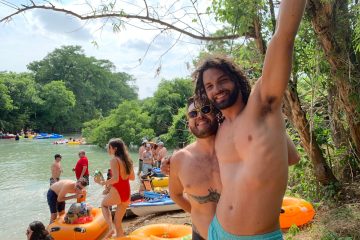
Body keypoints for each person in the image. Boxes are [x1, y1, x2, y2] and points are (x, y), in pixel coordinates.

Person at [192, 1, 306, 238]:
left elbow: (283, 36)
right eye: (210, 86)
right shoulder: (219, 128)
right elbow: (292, 158)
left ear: (237, 79)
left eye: (222, 80)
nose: (217, 89)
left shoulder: (262, 105)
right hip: (218, 230)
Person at [164, 97, 300, 239]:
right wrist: (197, 212)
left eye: (205, 109)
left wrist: (263, 116)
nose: (199, 116)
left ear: (217, 114)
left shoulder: (237, 147)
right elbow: (175, 194)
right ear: (188, 122)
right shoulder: (179, 159)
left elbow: (292, 158)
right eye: (193, 114)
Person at [96, 138, 135, 238]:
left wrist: (103, 182)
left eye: (109, 147)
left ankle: (110, 228)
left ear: (115, 149)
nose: (108, 149)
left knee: (104, 205)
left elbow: (116, 179)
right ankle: (118, 235)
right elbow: (132, 178)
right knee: (118, 222)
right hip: (127, 191)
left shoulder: (114, 160)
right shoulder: (128, 160)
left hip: (118, 190)